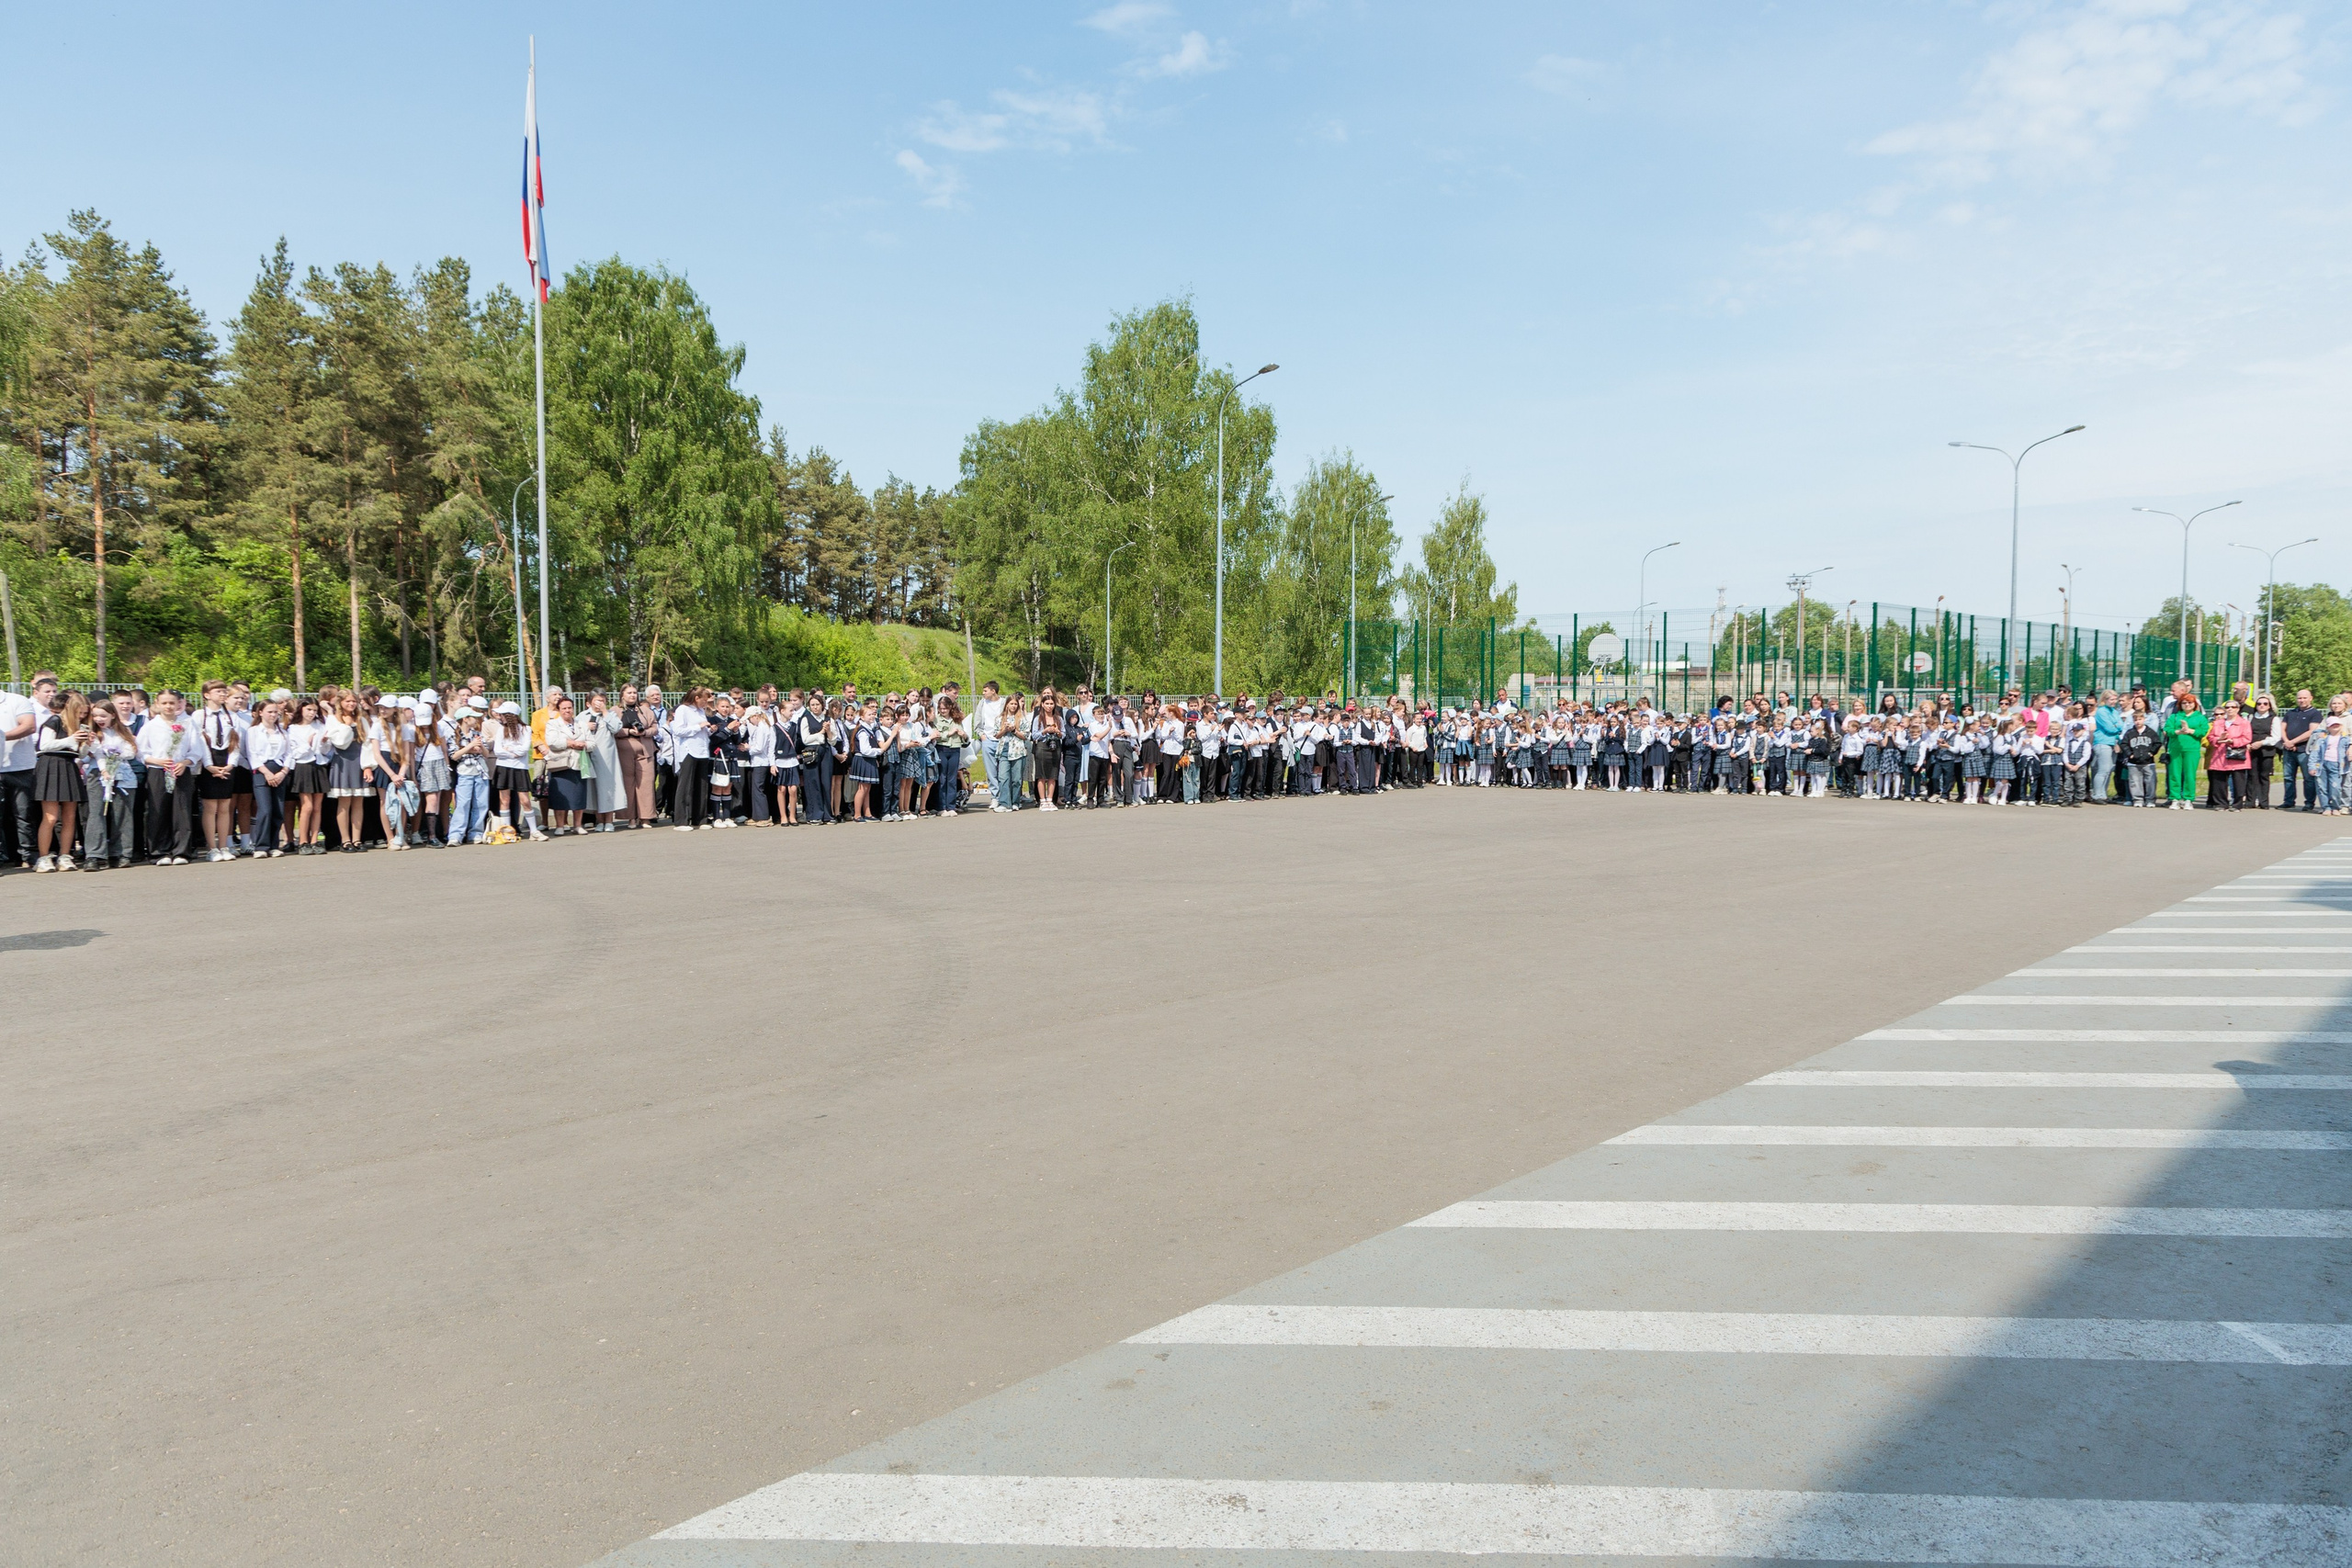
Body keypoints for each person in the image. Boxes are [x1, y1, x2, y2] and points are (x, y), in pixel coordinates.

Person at [137, 688, 201, 863]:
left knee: (182, 810)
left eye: (172, 703)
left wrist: (185, 763)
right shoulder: (150, 726)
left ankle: (181, 851)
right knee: (159, 810)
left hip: (181, 770)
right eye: (164, 703)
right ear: (157, 704)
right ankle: (159, 851)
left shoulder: (188, 724)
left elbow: (196, 750)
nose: (168, 706)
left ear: (178, 704)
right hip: (158, 771)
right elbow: (141, 752)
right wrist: (157, 761)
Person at [80, 698, 141, 868]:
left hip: (122, 775)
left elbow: (131, 752)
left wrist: (115, 755)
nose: (99, 719)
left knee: (122, 814)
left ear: (112, 715)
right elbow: (85, 755)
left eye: (103, 715)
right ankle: (94, 854)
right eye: (95, 716)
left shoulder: (124, 731)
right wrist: (88, 745)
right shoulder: (92, 733)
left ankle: (121, 852)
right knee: (96, 813)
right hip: (98, 774)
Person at [30, 688, 87, 872]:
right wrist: (71, 738)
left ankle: (65, 856)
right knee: (51, 816)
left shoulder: (79, 726)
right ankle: (43, 857)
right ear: (70, 707)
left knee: (70, 816)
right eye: (80, 712)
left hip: (69, 766)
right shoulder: (54, 721)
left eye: (85, 713)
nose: (82, 716)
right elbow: (44, 745)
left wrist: (87, 743)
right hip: (51, 766)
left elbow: (80, 753)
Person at [245, 698, 294, 856]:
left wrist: (283, 772)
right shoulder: (253, 731)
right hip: (262, 771)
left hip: (279, 770)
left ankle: (274, 845)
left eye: (275, 712)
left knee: (277, 810)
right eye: (270, 712)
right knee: (265, 810)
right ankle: (261, 846)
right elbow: (252, 754)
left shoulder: (283, 732)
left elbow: (289, 754)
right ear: (260, 713)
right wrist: (266, 772)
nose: (273, 715)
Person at [286, 698, 330, 853]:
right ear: (301, 710)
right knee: (307, 806)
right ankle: (302, 841)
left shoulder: (320, 726)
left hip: (319, 766)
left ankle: (314, 841)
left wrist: (324, 742)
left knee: (317, 807)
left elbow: (325, 751)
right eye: (309, 710)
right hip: (303, 766)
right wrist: (308, 744)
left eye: (314, 710)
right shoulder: (292, 729)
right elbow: (294, 753)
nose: (312, 713)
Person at [616, 685, 658, 826]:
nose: (633, 695)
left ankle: (645, 817)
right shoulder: (615, 711)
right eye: (629, 693)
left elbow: (655, 728)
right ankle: (631, 817)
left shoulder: (645, 711)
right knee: (628, 783)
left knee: (646, 783)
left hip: (645, 750)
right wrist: (628, 732)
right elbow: (613, 730)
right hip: (624, 750)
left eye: (635, 693)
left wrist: (644, 732)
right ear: (622, 695)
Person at [584, 690, 626, 829]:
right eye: (597, 700)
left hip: (607, 757)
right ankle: (599, 821)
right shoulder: (583, 716)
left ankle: (609, 821)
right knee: (593, 789)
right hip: (589, 755)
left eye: (602, 700)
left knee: (607, 788)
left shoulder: (610, 715)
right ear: (590, 702)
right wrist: (585, 727)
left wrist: (605, 713)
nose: (600, 703)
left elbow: (616, 728)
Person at [2161, 692, 2209, 810]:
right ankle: (2175, 798)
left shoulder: (2200, 717)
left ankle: (2188, 799)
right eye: (2184, 703)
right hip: (2175, 749)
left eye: (2190, 702)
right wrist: (2178, 732)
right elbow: (2167, 729)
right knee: (2174, 774)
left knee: (2190, 774)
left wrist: (2190, 731)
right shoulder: (2175, 716)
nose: (2187, 705)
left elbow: (2203, 732)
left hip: (2192, 749)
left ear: (2195, 704)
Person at [2207, 699, 2253, 811]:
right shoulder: (2218, 723)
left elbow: (2247, 738)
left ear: (2238, 709)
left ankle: (2237, 804)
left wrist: (2232, 741)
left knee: (2238, 782)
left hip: (2237, 755)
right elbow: (2210, 737)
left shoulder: (2244, 723)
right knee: (2219, 781)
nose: (2230, 709)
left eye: (2233, 707)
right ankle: (2221, 804)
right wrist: (2219, 739)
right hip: (2220, 756)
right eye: (2227, 707)